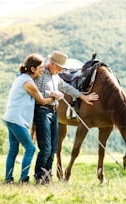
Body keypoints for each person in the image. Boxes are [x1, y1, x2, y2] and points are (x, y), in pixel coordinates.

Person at [33, 51, 99, 184]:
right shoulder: (40, 74)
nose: (61, 70)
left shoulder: (55, 76)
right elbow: (33, 91)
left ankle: (47, 176)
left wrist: (82, 96)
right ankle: (39, 176)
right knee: (45, 147)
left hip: (53, 111)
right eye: (60, 68)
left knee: (53, 146)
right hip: (42, 112)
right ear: (52, 64)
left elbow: (67, 87)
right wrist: (52, 93)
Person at [3, 53, 62, 185]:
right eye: (40, 67)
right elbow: (41, 100)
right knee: (30, 148)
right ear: (33, 69)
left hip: (11, 117)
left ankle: (8, 179)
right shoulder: (28, 82)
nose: (43, 69)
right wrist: (54, 97)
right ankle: (24, 179)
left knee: (13, 149)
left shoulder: (21, 77)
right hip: (16, 119)